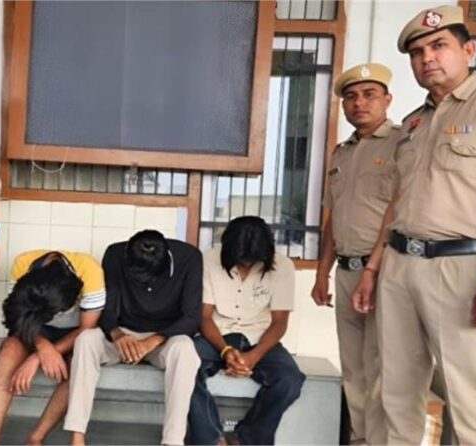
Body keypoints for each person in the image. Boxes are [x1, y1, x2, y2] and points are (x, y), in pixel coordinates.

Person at [352, 5, 476, 444]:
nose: (427, 58)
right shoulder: (413, 123)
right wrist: (373, 268)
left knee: (466, 399)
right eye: (417, 53)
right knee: (396, 395)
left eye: (439, 46)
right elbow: (397, 203)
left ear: (468, 51)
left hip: (460, 269)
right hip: (399, 266)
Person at [311, 63, 400, 445]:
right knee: (354, 368)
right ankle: (362, 439)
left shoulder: (402, 143)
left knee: (382, 367)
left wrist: (372, 269)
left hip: (384, 271)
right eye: (350, 97)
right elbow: (335, 216)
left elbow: (399, 211)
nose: (359, 103)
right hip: (347, 272)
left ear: (387, 100)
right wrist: (322, 272)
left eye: (369, 95)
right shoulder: (342, 153)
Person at [63, 230, 202, 446]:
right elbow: (105, 307)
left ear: (165, 265)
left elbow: (192, 317)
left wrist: (152, 341)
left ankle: (173, 441)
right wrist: (117, 334)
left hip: (164, 339)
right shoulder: (115, 253)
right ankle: (77, 436)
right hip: (122, 336)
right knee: (86, 340)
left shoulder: (190, 257)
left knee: (185, 350)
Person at [187, 216, 305, 446]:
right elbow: (204, 316)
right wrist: (225, 351)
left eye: (252, 262)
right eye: (240, 261)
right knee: (184, 367)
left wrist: (253, 357)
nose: (246, 266)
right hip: (216, 335)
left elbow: (279, 322)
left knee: (289, 380)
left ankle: (245, 439)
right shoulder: (209, 259)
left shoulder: (282, 266)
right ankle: (211, 440)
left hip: (260, 337)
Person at [0, 250, 105, 445]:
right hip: (34, 330)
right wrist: (42, 346)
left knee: (77, 367)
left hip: (75, 333)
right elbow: (18, 317)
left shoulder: (90, 270)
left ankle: (36, 438)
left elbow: (86, 328)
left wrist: (37, 357)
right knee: (8, 351)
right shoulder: (22, 263)